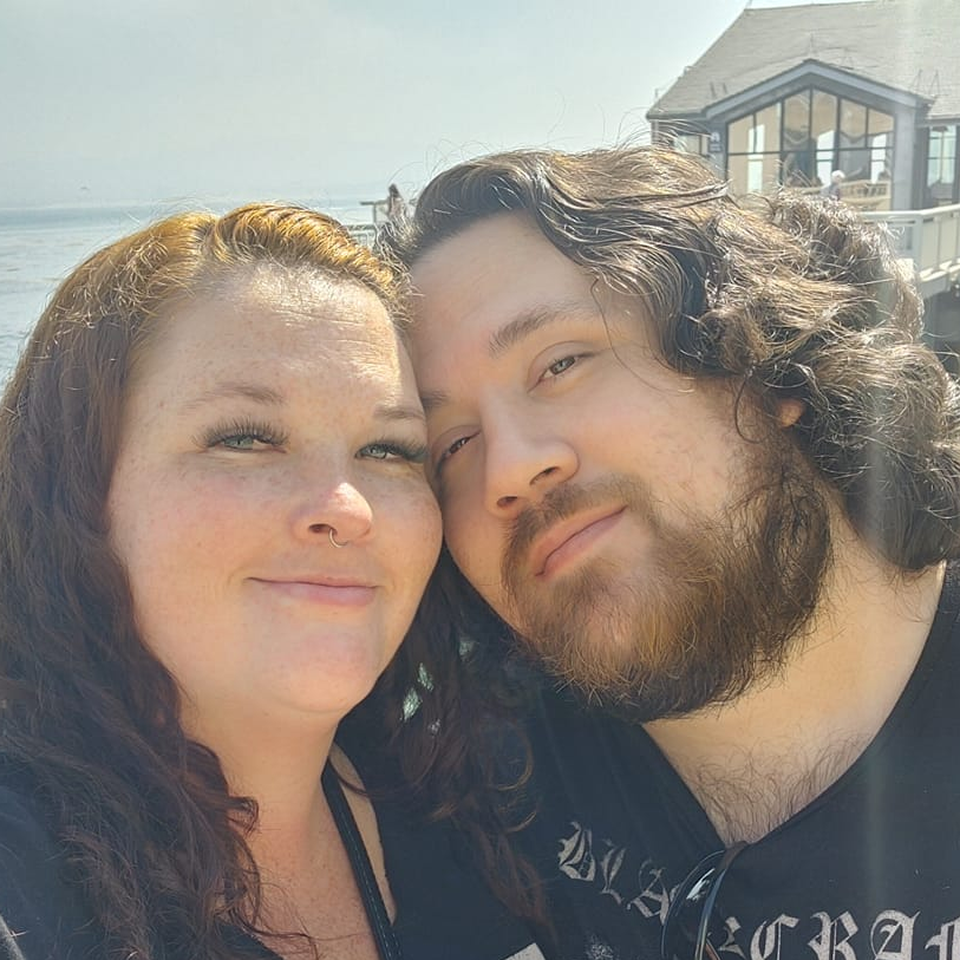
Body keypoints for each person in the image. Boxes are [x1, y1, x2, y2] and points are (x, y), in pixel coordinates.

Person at [382, 148, 960, 959]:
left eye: (560, 364)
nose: (507, 470)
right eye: (453, 445)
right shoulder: (477, 787)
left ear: (766, 359)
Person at [0, 204, 543, 960]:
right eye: (245, 438)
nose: (347, 509)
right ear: (73, 492)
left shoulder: (463, 800)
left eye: (390, 450)